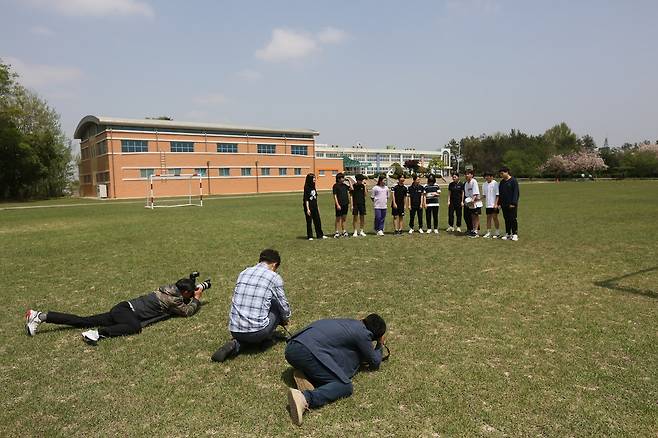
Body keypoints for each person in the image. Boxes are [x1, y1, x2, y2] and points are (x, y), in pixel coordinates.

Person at [24, 274, 207, 345]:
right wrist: (196, 300)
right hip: (127, 314)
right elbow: (187, 312)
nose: (191, 294)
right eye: (189, 292)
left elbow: (182, 292)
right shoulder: (172, 300)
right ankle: (97, 334)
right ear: (185, 292)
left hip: (122, 308)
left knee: (83, 319)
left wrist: (193, 286)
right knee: (134, 327)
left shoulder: (170, 288)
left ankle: (40, 316)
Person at [285, 314, 387, 426]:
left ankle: (307, 375)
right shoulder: (363, 333)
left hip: (292, 348)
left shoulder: (348, 322)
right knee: (344, 385)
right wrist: (380, 344)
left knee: (332, 367)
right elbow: (375, 362)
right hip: (307, 352)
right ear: (373, 335)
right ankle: (304, 398)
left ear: (363, 319)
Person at [211, 249, 291, 362]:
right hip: (258, 332)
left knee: (248, 334)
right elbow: (283, 305)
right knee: (275, 303)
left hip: (235, 330)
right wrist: (285, 319)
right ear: (274, 264)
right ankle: (266, 339)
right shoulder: (274, 277)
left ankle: (235, 345)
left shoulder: (243, 272)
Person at [498, 166, 520, 241]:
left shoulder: (513, 181)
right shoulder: (502, 182)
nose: (501, 175)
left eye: (502, 173)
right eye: (500, 174)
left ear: (507, 172)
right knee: (506, 219)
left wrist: (513, 203)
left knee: (513, 219)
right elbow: (500, 194)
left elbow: (516, 193)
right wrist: (499, 203)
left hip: (512, 205)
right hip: (504, 204)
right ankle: (508, 233)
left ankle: (515, 234)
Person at [303, 173, 327, 241]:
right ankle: (310, 236)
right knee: (309, 221)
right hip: (309, 207)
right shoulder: (306, 188)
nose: (315, 179)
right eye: (313, 178)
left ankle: (320, 235)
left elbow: (315, 198)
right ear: (310, 179)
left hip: (314, 206)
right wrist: (307, 209)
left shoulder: (313, 186)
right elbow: (306, 199)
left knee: (318, 221)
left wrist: (317, 207)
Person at [463, 169, 483, 238]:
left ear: (472, 175)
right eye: (465, 174)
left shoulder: (474, 181)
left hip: (476, 202)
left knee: (476, 216)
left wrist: (473, 201)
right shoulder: (466, 184)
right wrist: (467, 202)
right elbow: (467, 195)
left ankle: (476, 231)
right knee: (472, 216)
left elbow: (475, 193)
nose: (466, 175)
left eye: (468, 174)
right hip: (471, 202)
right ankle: (473, 229)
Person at [481, 172, 501, 238]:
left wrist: (496, 204)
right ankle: (488, 232)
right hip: (488, 204)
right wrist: (477, 200)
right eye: (485, 176)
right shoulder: (484, 184)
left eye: (488, 176)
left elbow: (497, 195)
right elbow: (484, 195)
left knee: (495, 218)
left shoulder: (495, 183)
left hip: (494, 204)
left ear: (491, 176)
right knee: (488, 218)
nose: (486, 177)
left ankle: (497, 232)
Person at [332, 173, 351, 238]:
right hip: (339, 205)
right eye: (342, 178)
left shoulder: (345, 185)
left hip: (345, 204)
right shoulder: (335, 186)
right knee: (338, 219)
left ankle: (344, 231)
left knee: (344, 219)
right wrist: (337, 204)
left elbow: (351, 188)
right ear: (338, 179)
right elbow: (335, 196)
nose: (343, 179)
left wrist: (349, 181)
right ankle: (337, 232)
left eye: (343, 178)